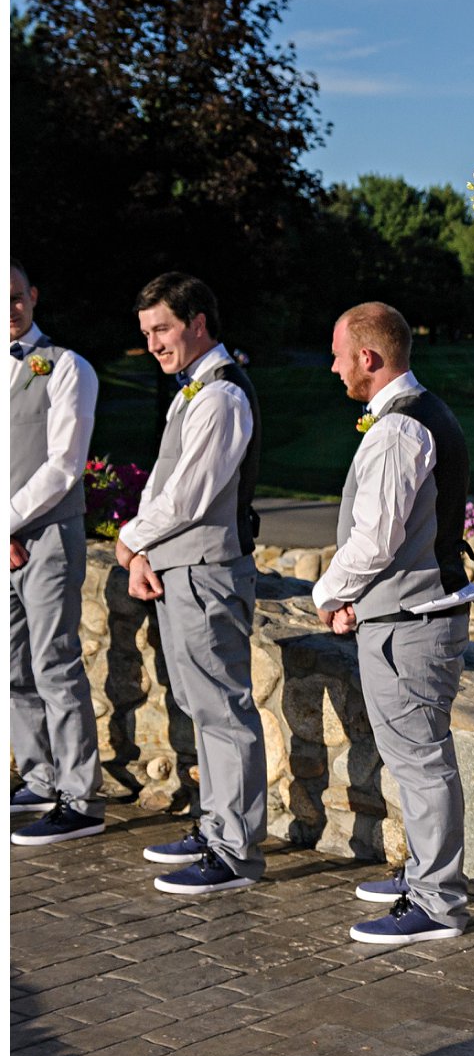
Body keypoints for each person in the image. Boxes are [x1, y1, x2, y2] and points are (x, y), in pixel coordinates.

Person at [313, 301, 474, 945]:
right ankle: (424, 877)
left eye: (336, 354)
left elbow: (375, 538)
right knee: (417, 756)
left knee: (420, 760)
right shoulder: (421, 413)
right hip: (409, 610)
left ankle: (437, 901)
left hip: (412, 622)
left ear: (369, 358)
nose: (332, 367)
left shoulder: (398, 430)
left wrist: (330, 593)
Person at [116, 272, 268, 896]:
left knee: (222, 708)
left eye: (162, 328)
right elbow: (162, 485)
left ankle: (234, 851)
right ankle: (216, 827)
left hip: (208, 570)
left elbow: (190, 495)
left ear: (198, 322)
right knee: (198, 702)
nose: (153, 343)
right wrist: (144, 552)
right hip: (181, 568)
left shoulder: (221, 396)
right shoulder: (191, 393)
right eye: (147, 331)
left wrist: (130, 538)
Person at [9, 263, 106, 845]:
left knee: (54, 662)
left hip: (46, 538)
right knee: (13, 666)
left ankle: (80, 796)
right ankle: (40, 776)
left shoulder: (68, 367)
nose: (11, 309)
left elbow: (65, 465)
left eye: (17, 297)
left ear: (34, 296)